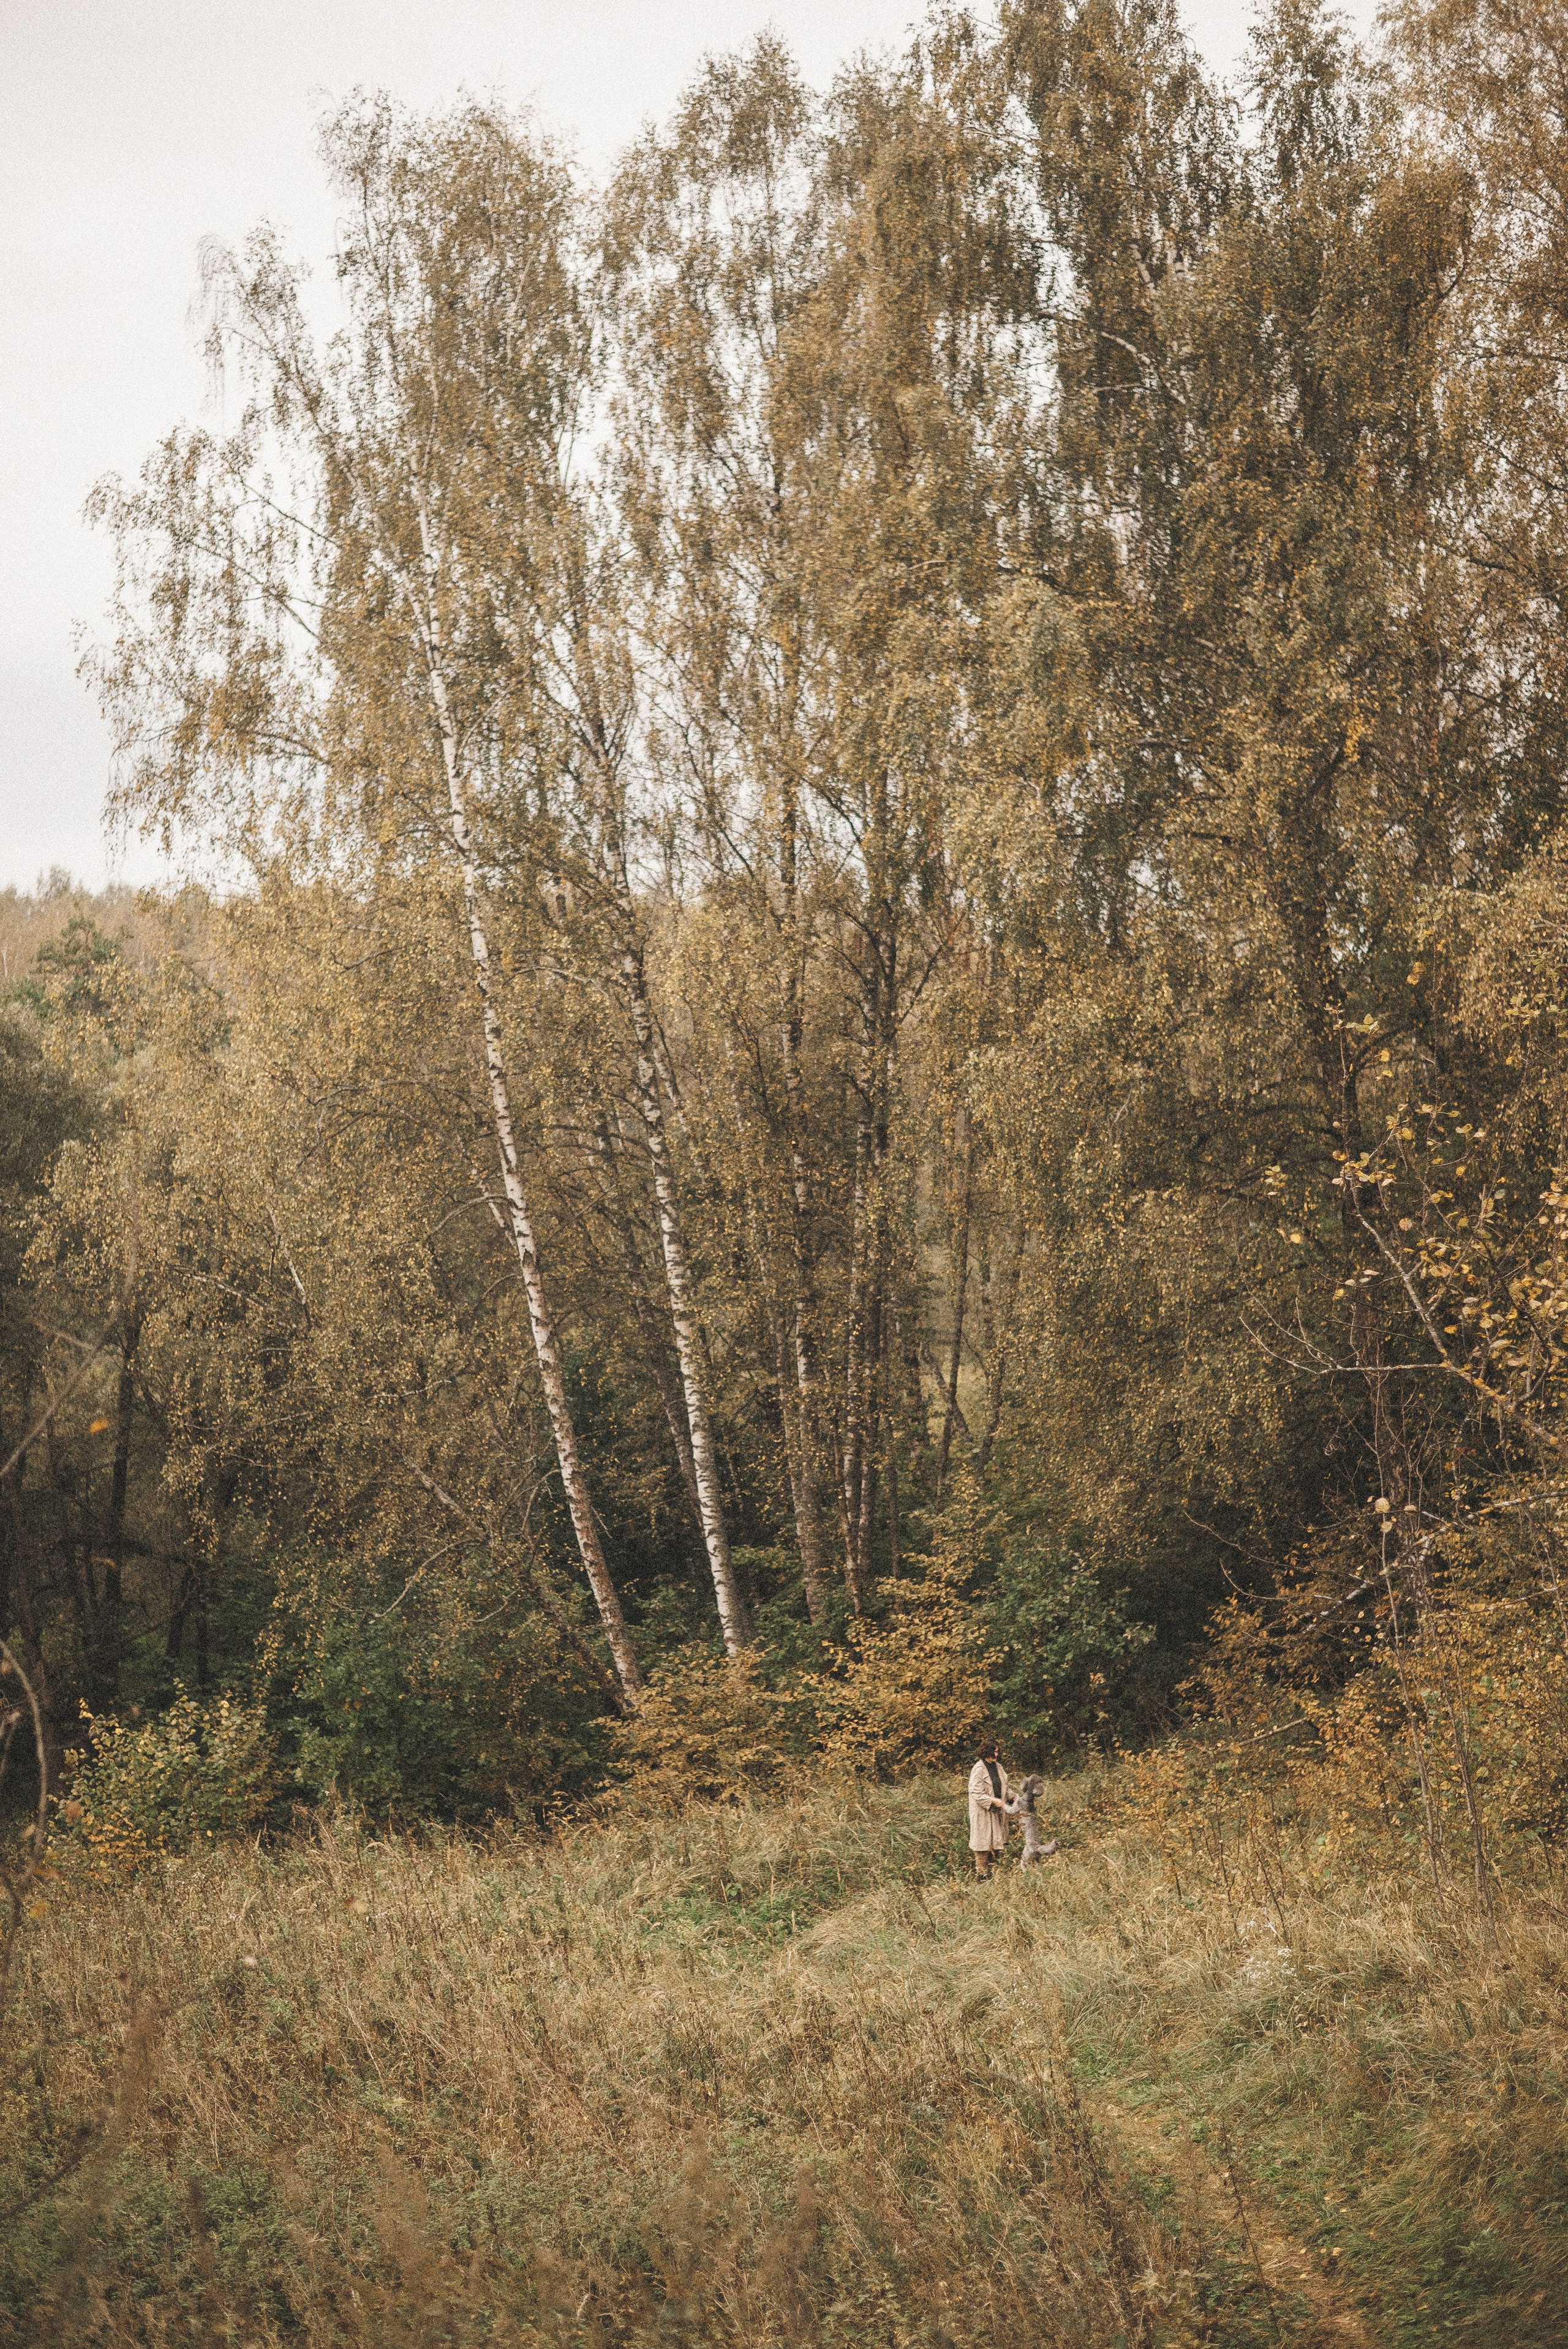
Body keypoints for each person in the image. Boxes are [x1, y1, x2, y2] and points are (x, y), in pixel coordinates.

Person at [967, 1738, 1009, 1879]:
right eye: (994, 1751)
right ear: (987, 1752)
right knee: (982, 1845)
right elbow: (976, 1793)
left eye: (997, 1751)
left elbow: (1004, 1788)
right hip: (983, 1812)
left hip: (997, 1811)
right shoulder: (978, 1769)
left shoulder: (999, 1767)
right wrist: (992, 1801)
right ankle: (982, 1875)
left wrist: (1014, 1797)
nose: (997, 1755)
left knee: (997, 1842)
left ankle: (993, 1873)